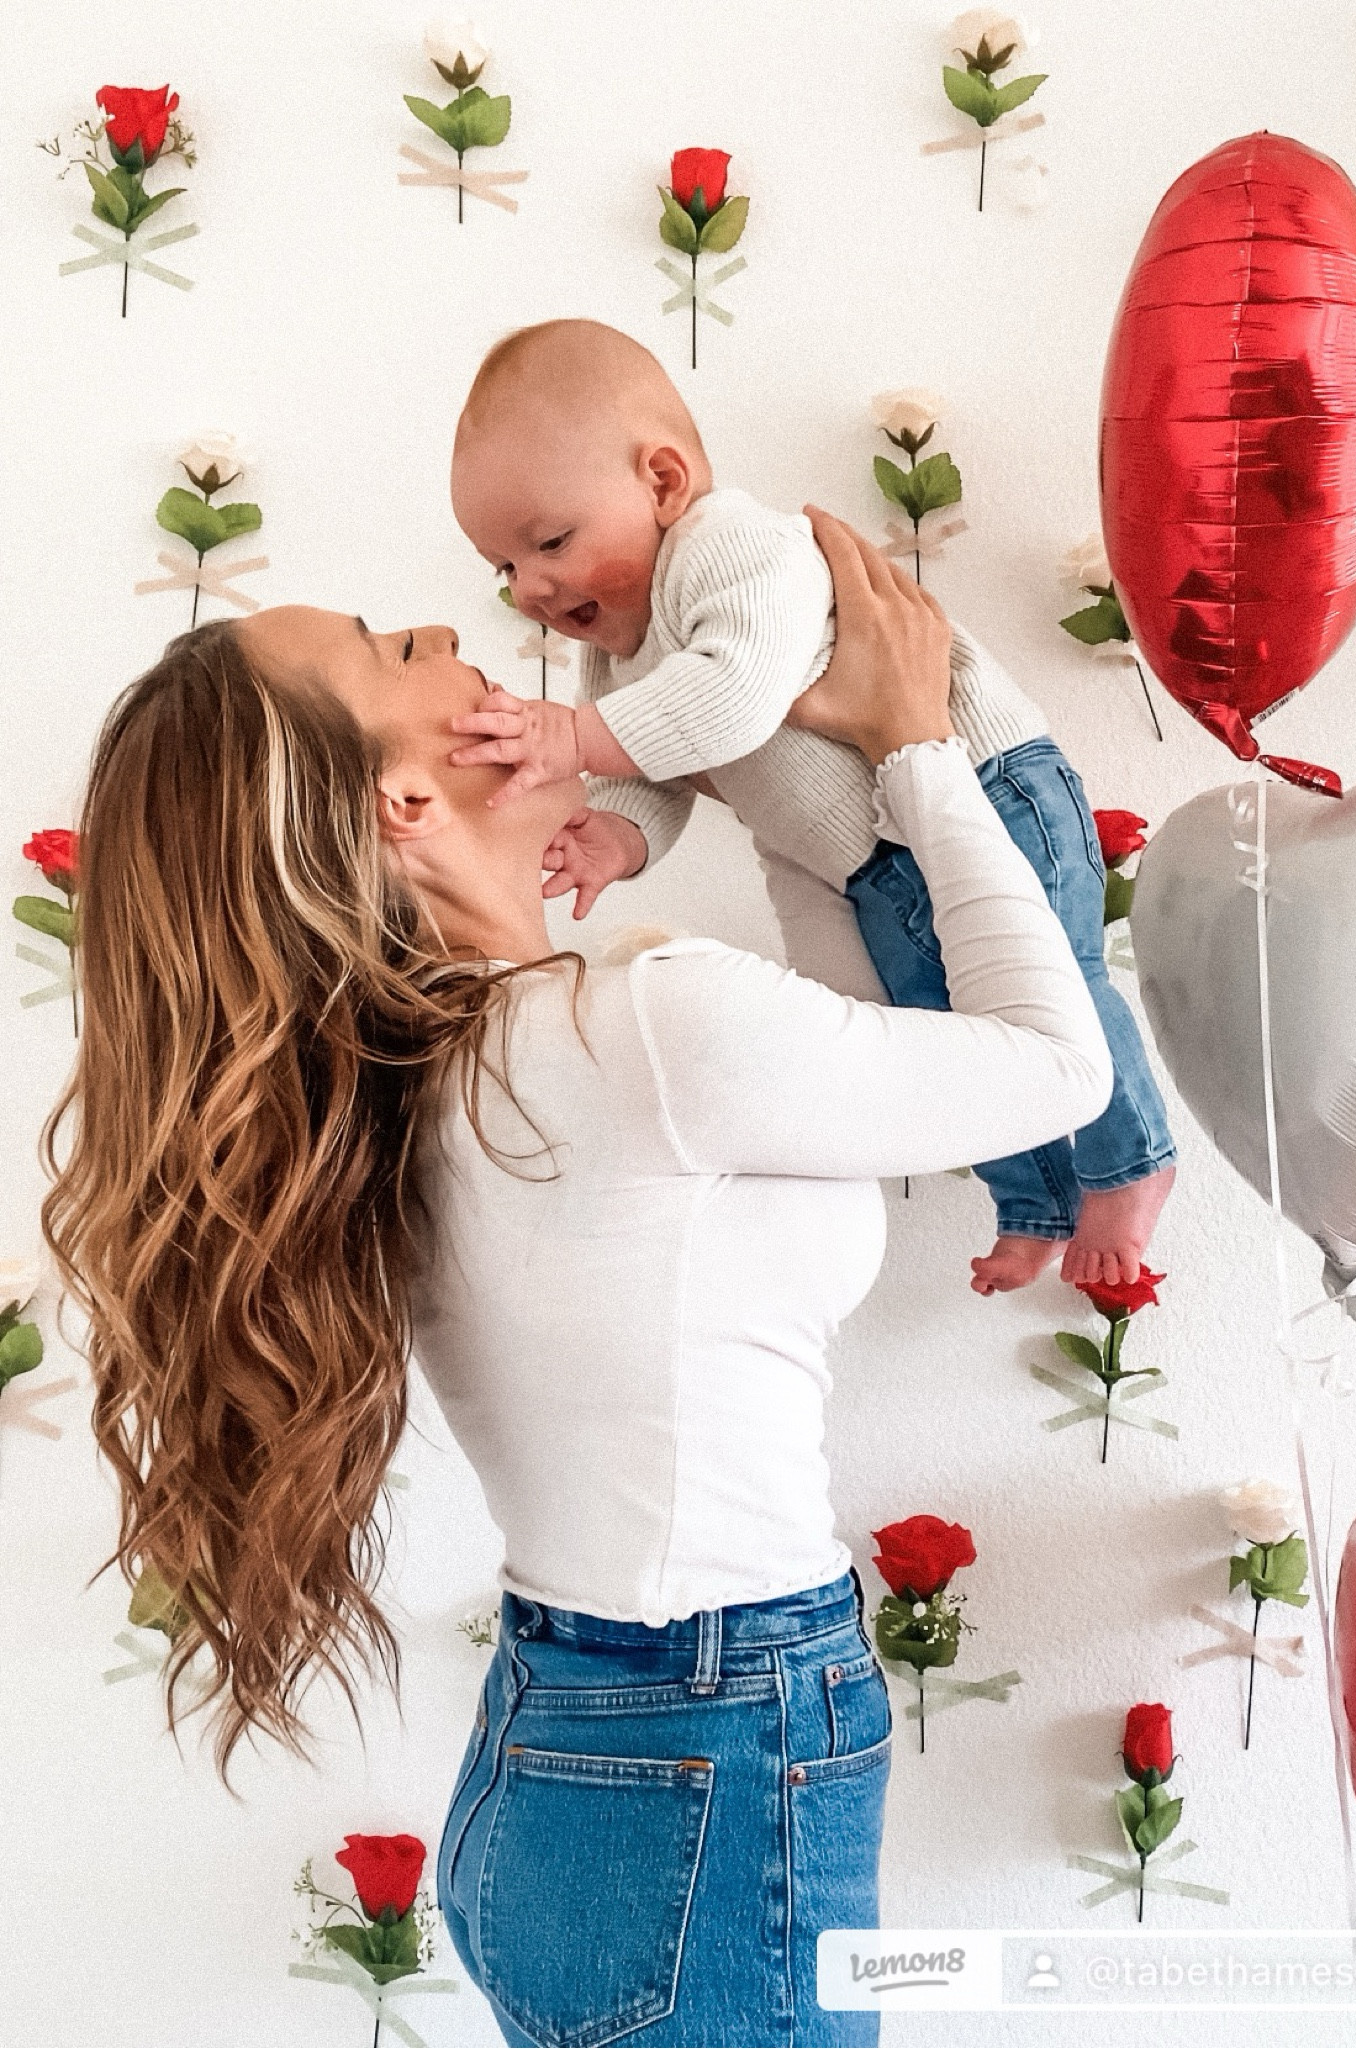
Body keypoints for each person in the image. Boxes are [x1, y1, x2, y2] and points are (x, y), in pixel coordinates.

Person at [42, 511, 1111, 2047]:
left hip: (578, 1756)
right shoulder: (642, 1027)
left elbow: (848, 1039)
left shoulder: (441, 1073)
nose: (441, 632)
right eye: (385, 651)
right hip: (708, 1744)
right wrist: (921, 746)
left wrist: (785, 774)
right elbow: (1054, 1066)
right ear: (406, 796)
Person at [448, 317, 1175, 1296]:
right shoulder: (615, 648)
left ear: (663, 483)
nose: (530, 586)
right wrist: (616, 837)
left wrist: (570, 740)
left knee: (1054, 974)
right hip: (873, 859)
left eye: (549, 543)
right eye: (505, 567)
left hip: (990, 788)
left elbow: (735, 693)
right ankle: (1035, 1203)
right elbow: (651, 767)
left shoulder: (733, 551)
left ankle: (1131, 1164)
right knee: (944, 1028)